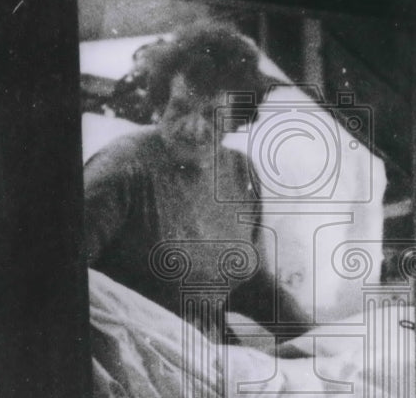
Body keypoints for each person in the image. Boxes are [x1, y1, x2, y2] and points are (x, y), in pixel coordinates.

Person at [83, 22, 299, 339]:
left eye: (212, 115)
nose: (193, 128)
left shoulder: (241, 172)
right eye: (181, 108)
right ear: (160, 101)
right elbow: (61, 282)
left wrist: (318, 343)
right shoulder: (122, 169)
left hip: (207, 358)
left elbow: (250, 283)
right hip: (136, 356)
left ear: (236, 118)